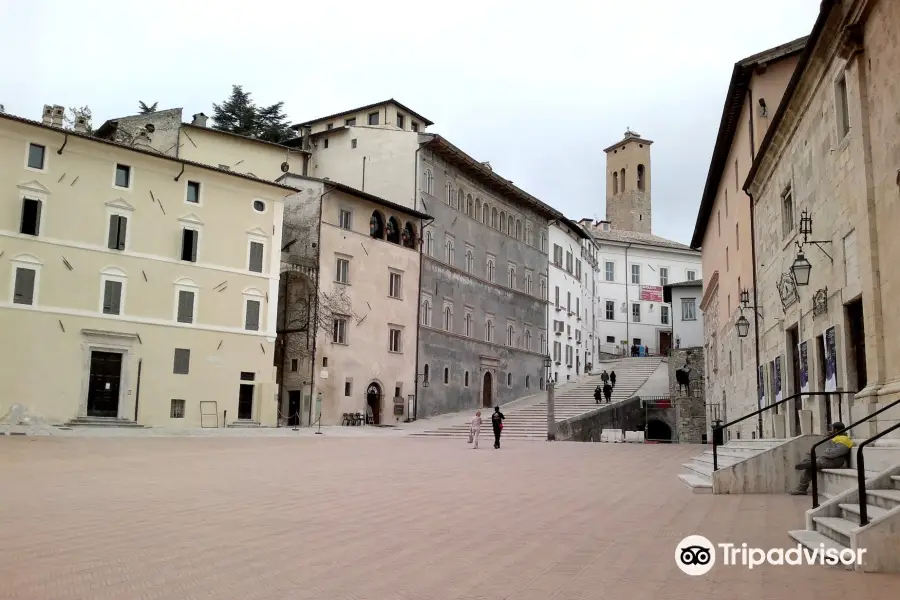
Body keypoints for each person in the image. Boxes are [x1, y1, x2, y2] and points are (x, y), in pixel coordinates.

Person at [790, 422, 853, 495]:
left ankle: (802, 488)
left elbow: (837, 452)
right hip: (827, 458)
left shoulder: (843, 439)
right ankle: (807, 463)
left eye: (832, 429)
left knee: (811, 466)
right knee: (809, 455)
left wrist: (825, 451)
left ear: (835, 429)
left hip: (835, 461)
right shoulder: (837, 437)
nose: (831, 430)